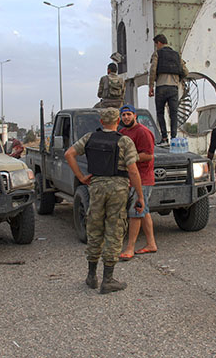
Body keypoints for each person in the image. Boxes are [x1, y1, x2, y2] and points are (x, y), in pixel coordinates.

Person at [64, 108, 144, 294]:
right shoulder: (124, 141)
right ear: (118, 121)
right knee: (114, 229)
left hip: (97, 186)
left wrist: (81, 177)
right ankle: (108, 279)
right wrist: (140, 195)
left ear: (101, 121)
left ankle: (91, 276)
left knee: (94, 228)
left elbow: (69, 154)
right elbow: (132, 170)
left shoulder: (90, 137)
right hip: (118, 188)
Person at [117, 104, 157, 261]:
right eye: (123, 115)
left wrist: (129, 159)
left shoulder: (143, 132)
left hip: (142, 179)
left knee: (136, 211)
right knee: (144, 211)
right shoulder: (123, 132)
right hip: (131, 177)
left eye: (129, 114)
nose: (126, 117)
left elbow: (149, 155)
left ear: (135, 116)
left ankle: (130, 248)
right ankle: (151, 244)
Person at [148, 34, 189, 145]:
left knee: (160, 113)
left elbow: (153, 70)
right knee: (173, 114)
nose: (156, 47)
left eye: (156, 45)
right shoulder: (177, 55)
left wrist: (151, 86)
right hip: (174, 88)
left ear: (159, 43)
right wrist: (178, 79)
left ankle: (165, 138)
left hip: (161, 87)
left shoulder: (157, 53)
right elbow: (185, 71)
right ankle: (174, 139)